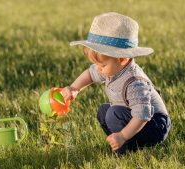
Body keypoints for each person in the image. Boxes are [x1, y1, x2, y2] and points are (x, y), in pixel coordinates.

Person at [61, 12, 171, 154]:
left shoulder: (134, 82)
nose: (98, 69)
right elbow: (90, 74)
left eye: (102, 65)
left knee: (114, 113)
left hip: (154, 125)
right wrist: (74, 88)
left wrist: (122, 135)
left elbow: (143, 115)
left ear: (123, 59)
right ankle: (128, 143)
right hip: (136, 117)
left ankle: (124, 147)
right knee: (104, 111)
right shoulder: (113, 67)